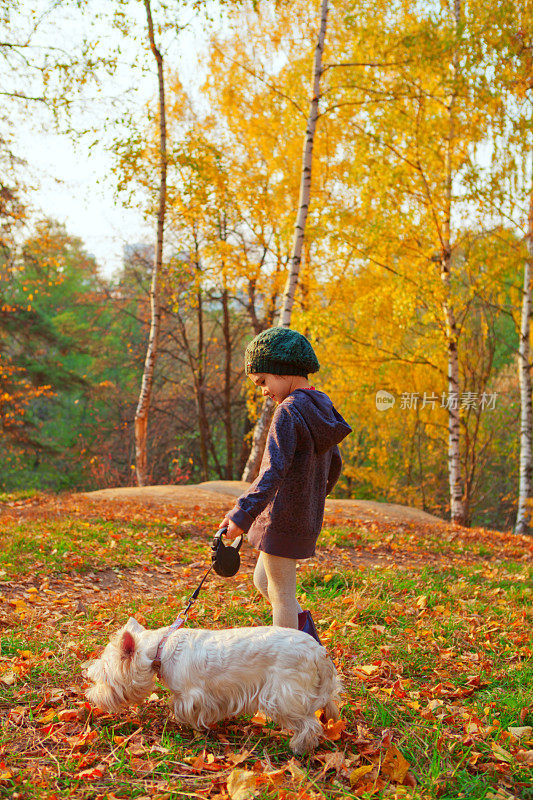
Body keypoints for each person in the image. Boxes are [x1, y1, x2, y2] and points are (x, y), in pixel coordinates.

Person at [219, 327, 351, 643]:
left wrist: (241, 515)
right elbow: (335, 465)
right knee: (264, 581)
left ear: (283, 370)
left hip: (281, 519)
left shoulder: (288, 411)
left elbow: (270, 473)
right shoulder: (322, 405)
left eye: (263, 381)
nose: (262, 390)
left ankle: (292, 669)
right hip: (301, 518)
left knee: (281, 598)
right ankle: (310, 646)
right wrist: (312, 498)